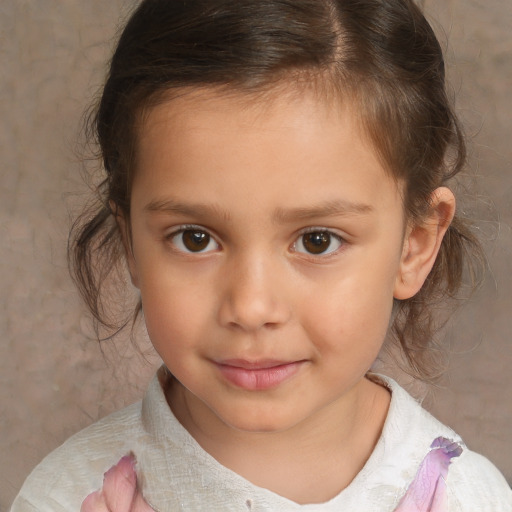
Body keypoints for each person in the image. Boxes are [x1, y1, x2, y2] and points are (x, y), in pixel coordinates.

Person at [10, 0, 512, 510]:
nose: (251, 308)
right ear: (131, 241)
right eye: (195, 238)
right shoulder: (66, 496)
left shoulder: (471, 498)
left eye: (318, 240)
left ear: (415, 245)